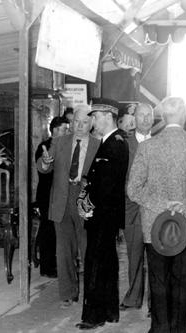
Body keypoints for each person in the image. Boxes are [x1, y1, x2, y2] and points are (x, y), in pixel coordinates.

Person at [128, 97, 186, 333]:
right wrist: (185, 206)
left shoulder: (147, 147)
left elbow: (133, 189)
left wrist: (163, 204)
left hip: (155, 229)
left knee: (158, 286)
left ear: (163, 117)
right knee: (183, 288)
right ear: (185, 115)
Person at [37, 105, 100, 308]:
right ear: (71, 123)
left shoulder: (99, 145)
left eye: (84, 123)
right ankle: (68, 293)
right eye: (76, 122)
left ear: (91, 125)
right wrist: (46, 162)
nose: (80, 126)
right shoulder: (59, 142)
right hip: (61, 201)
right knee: (64, 251)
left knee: (88, 249)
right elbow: (43, 166)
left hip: (85, 201)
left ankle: (92, 295)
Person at [76, 98, 129, 330]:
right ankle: (108, 311)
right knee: (106, 263)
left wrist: (88, 207)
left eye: (95, 116)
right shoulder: (110, 142)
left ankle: (93, 316)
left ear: (108, 116)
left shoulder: (115, 143)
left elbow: (106, 187)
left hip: (102, 216)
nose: (93, 121)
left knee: (96, 264)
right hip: (105, 216)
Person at [120, 103, 154, 314]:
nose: (145, 119)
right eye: (141, 115)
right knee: (134, 255)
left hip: (155, 208)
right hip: (131, 208)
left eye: (148, 116)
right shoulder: (124, 144)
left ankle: (155, 302)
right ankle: (133, 298)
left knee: (156, 258)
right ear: (134, 118)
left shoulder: (161, 143)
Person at [34, 116, 69, 278]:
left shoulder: (64, 145)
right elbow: (45, 169)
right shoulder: (45, 147)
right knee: (48, 230)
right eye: (64, 129)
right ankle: (47, 267)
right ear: (54, 130)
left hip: (57, 195)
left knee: (55, 231)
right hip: (47, 195)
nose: (67, 132)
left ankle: (54, 264)